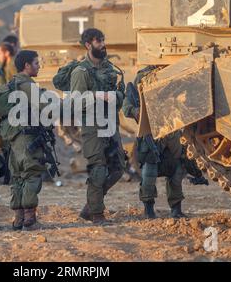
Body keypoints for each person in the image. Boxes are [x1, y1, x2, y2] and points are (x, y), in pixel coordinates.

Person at [70, 28, 126, 224]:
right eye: (98, 41)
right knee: (98, 169)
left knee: (118, 168)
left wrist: (116, 97)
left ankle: (90, 206)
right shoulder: (81, 72)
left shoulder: (110, 69)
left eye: (103, 40)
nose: (103, 45)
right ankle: (96, 213)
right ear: (88, 45)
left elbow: (120, 97)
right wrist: (95, 96)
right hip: (92, 126)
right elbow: (75, 102)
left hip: (111, 123)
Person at [0, 50, 55, 231]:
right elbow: (47, 109)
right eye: (37, 63)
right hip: (27, 137)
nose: (39, 66)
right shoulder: (27, 86)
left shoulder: (12, 83)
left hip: (14, 139)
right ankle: (29, 219)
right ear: (27, 66)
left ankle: (18, 219)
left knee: (18, 176)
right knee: (32, 173)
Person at [122, 71, 187, 219]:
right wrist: (135, 111)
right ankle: (148, 209)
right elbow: (127, 106)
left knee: (176, 171)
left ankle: (176, 209)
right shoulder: (143, 75)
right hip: (150, 133)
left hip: (171, 132)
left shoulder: (174, 69)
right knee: (149, 174)